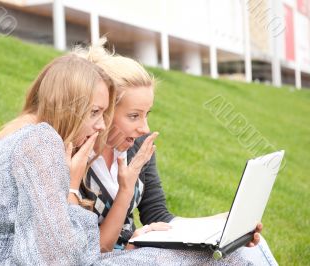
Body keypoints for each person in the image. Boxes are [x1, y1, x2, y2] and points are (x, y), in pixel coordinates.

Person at [0, 50, 270, 265]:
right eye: (96, 112)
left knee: (226, 251)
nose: (100, 124)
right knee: (218, 257)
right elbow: (61, 258)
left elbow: (60, 248)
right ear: (70, 106)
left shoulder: (24, 138)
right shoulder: (43, 141)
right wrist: (73, 189)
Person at [74, 40, 278, 265]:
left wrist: (224, 224)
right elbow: (87, 252)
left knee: (242, 250)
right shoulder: (76, 161)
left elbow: (158, 214)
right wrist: (133, 242)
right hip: (111, 257)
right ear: (105, 110)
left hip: (135, 249)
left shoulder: (137, 146)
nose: (145, 128)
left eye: (146, 114)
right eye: (134, 116)